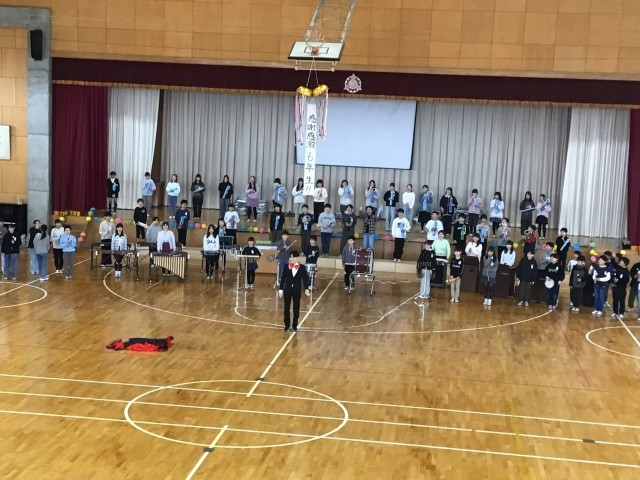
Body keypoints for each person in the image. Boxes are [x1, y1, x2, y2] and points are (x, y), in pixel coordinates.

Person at [278, 251, 311, 332]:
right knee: (286, 307)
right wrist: (281, 289)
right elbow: (283, 278)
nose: (292, 259)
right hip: (287, 289)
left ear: (297, 258)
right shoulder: (286, 266)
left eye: (294, 257)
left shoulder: (302, 267)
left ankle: (295, 325)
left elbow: (305, 279)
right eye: (291, 257)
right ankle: (287, 325)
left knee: (296, 307)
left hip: (296, 290)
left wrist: (307, 288)